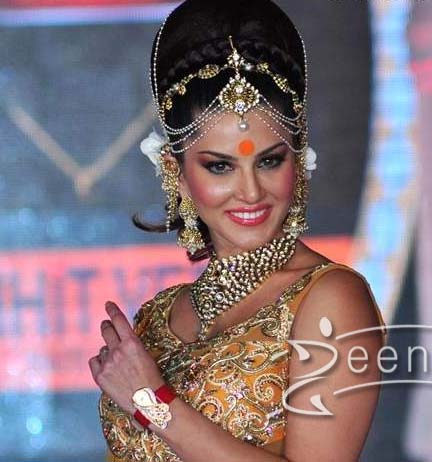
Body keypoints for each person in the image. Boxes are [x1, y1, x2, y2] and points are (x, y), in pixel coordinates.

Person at [89, 1, 388, 461]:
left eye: (269, 161)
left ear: (297, 160)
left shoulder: (330, 299)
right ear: (176, 172)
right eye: (220, 166)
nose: (250, 192)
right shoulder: (158, 316)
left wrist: (152, 401)